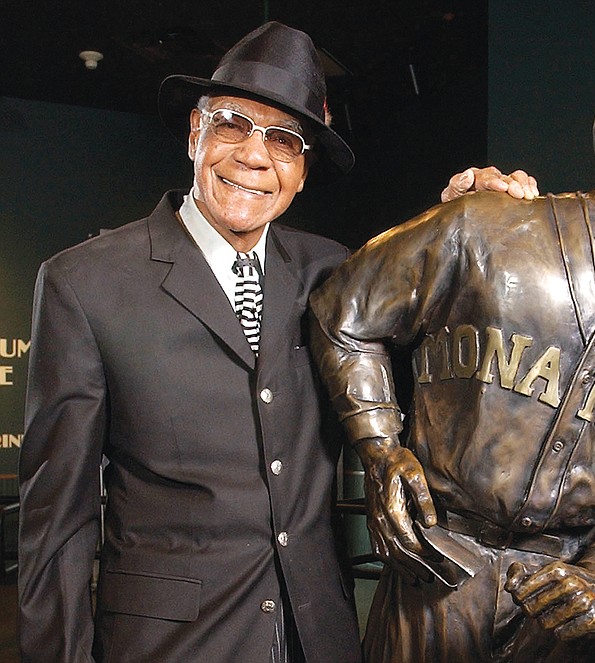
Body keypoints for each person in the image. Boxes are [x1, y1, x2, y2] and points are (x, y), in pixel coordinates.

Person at [16, 21, 536, 663]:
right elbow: (57, 524)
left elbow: (437, 358)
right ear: (194, 134)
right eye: (232, 124)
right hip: (169, 646)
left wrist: (465, 225)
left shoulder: (332, 271)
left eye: (284, 141)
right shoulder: (84, 283)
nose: (255, 157)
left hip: (318, 639)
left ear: (301, 171)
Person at [309, 49, 595, 662]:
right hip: (444, 565)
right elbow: (344, 314)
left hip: (567, 587)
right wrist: (379, 447)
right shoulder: (488, 227)